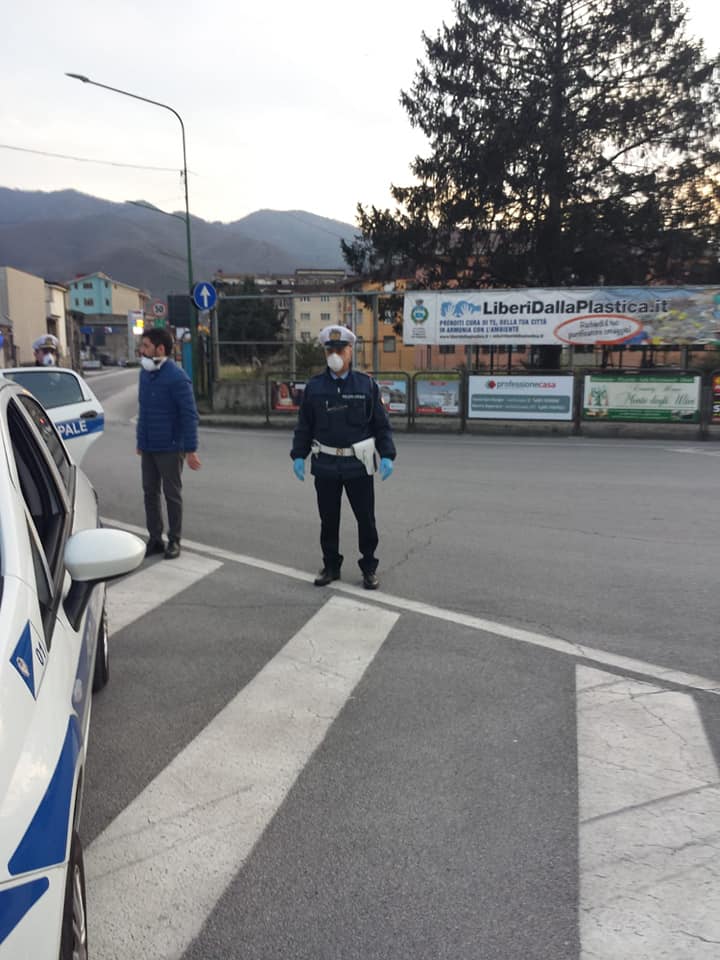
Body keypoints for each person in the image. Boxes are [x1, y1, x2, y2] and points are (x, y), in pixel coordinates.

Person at [290, 324, 396, 590]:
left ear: (351, 351)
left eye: (340, 349)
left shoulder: (366, 385)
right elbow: (304, 425)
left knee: (365, 519)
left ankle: (369, 567)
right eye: (330, 350)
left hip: (358, 464)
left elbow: (381, 425)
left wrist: (387, 455)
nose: (335, 355)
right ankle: (331, 566)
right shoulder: (314, 387)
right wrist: (299, 455)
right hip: (326, 464)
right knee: (328, 519)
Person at [136, 327, 201, 560]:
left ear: (160, 349)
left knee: (172, 494)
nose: (142, 350)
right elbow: (143, 411)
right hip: (149, 447)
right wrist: (140, 441)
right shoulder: (145, 374)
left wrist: (191, 450)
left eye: (146, 346)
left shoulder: (177, 377)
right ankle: (155, 538)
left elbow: (189, 415)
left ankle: (174, 540)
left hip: (171, 447)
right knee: (149, 492)